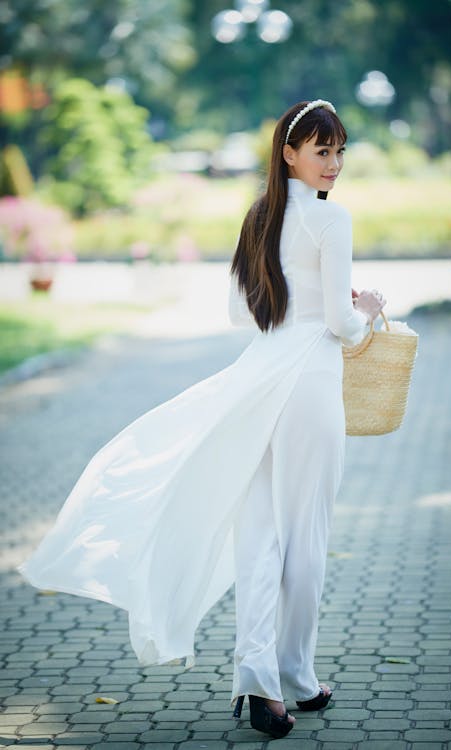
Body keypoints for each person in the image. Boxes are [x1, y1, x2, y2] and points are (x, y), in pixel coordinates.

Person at [17, 99, 386, 740]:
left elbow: (242, 315)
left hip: (260, 376)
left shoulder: (259, 216)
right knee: (307, 539)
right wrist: (368, 307)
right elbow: (340, 326)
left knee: (262, 538)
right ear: (290, 154)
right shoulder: (333, 221)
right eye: (322, 150)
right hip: (310, 382)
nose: (334, 163)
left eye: (339, 150)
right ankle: (295, 677)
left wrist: (307, 298)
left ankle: (258, 680)